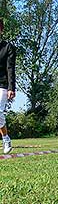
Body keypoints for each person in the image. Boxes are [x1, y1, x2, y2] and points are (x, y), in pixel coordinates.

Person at [0, 18, 16, 154]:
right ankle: (5, 137)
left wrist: (11, 88)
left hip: (2, 84)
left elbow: (10, 68)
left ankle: (6, 139)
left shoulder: (8, 47)